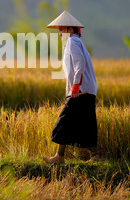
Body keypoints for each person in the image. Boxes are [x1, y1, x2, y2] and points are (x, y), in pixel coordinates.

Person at [42, 11, 99, 165]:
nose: (60, 34)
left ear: (70, 30)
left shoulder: (73, 43)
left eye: (62, 30)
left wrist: (74, 87)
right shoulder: (75, 43)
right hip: (85, 89)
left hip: (81, 90)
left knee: (65, 120)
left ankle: (59, 157)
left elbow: (79, 64)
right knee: (84, 122)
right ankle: (94, 156)